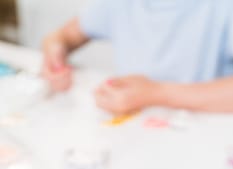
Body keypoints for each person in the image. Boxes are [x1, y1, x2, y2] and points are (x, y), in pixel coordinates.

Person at [42, 0, 233, 115]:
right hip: (132, 133)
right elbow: (63, 36)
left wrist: (156, 93)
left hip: (203, 134)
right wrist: (54, 53)